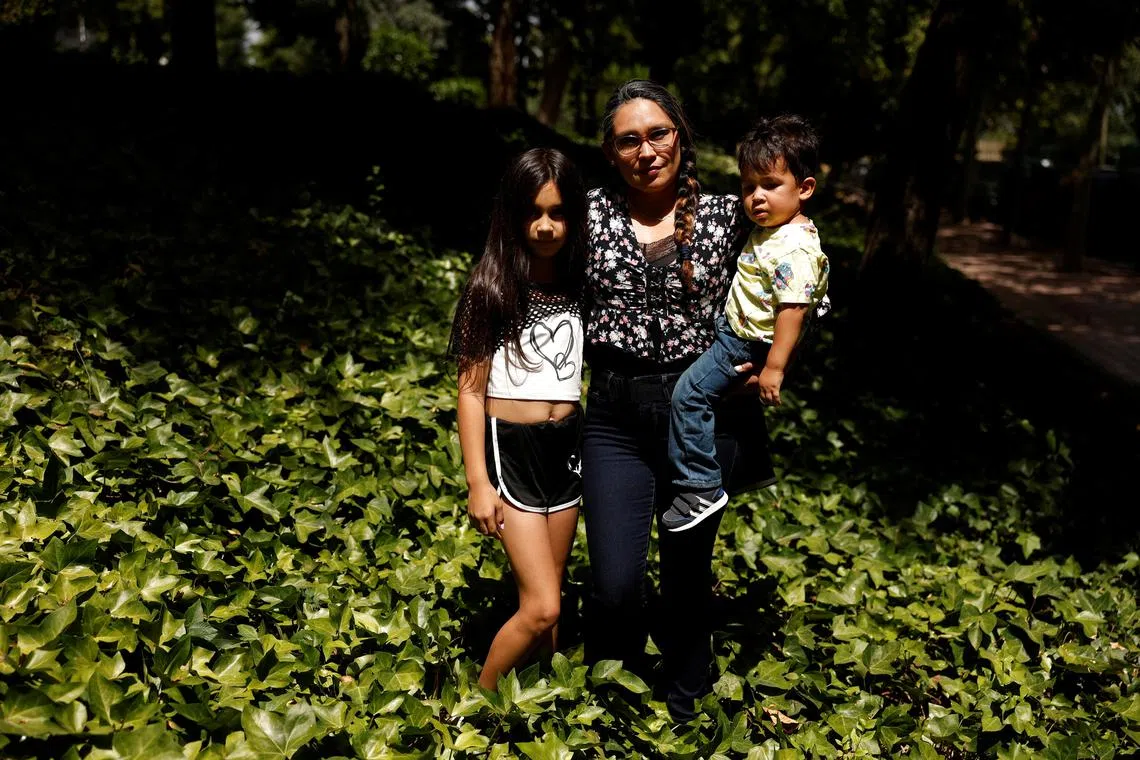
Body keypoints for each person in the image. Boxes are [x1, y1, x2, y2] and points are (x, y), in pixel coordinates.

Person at [582, 79, 776, 721]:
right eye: (628, 140)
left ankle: (686, 703)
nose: (646, 150)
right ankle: (612, 701)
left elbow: (798, 269)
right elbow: (531, 267)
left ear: (680, 138)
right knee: (614, 585)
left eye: (658, 133)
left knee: (687, 579)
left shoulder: (728, 216)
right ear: (611, 153)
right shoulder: (587, 217)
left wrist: (775, 359)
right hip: (614, 416)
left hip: (699, 417)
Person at [448, 148, 588, 691]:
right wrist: (478, 483)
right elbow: (470, 393)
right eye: (534, 212)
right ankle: (471, 710)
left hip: (566, 452)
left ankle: (537, 709)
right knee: (542, 608)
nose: (546, 225)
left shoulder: (579, 286)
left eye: (558, 212)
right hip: (513, 453)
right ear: (513, 214)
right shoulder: (491, 290)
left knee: (551, 601)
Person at [662, 115, 830, 532]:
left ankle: (700, 485)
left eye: (770, 185)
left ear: (805, 189)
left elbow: (793, 309)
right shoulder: (776, 230)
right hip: (736, 333)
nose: (756, 197)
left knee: (689, 395)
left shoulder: (794, 246)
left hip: (744, 345)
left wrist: (774, 366)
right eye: (748, 186)